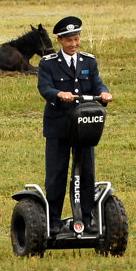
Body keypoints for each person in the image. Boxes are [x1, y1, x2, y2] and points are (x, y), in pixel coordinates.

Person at [37, 15, 113, 236]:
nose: (74, 44)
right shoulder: (48, 63)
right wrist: (59, 94)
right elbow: (45, 88)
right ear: (60, 41)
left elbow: (97, 82)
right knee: (56, 175)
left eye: (77, 39)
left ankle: (87, 219)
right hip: (59, 127)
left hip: (84, 127)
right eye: (69, 40)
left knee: (87, 173)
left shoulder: (89, 61)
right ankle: (53, 222)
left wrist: (104, 93)